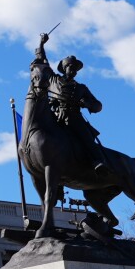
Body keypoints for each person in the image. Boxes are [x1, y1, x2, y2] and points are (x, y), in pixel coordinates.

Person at [34, 32, 108, 175]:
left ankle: (98, 161)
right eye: (71, 67)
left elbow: (98, 105)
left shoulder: (81, 88)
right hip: (54, 116)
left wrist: (86, 103)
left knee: (86, 137)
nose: (73, 70)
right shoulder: (53, 80)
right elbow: (42, 61)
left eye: (75, 68)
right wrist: (41, 44)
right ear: (65, 68)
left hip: (73, 117)